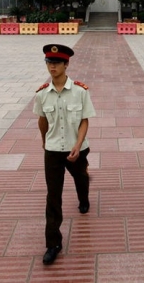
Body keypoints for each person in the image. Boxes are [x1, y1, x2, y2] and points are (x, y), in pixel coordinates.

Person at [33, 44, 96, 265]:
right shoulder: (42, 94)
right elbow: (42, 120)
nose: (52, 67)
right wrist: (44, 141)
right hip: (52, 151)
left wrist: (78, 145)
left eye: (57, 63)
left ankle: (84, 198)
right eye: (49, 63)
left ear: (66, 64)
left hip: (76, 147)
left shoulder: (80, 91)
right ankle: (53, 243)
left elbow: (84, 120)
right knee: (53, 196)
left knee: (81, 177)